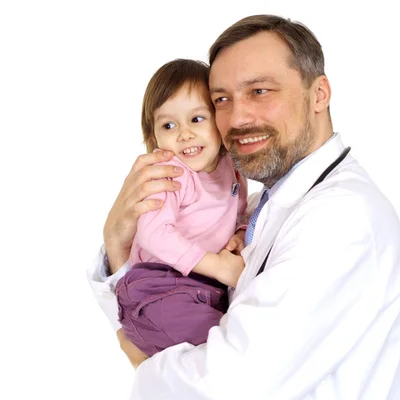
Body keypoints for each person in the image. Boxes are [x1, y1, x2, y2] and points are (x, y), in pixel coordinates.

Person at [87, 14, 400, 399]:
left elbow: (226, 387)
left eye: (260, 91)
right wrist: (117, 243)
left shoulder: (342, 219)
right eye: (221, 100)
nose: (237, 118)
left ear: (319, 94)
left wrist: (142, 359)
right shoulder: (259, 207)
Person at [116, 58, 249, 358]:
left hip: (201, 290)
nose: (184, 134)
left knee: (239, 334)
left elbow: (239, 214)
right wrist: (216, 265)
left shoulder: (232, 167)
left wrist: (239, 234)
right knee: (229, 349)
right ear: (155, 137)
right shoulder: (170, 172)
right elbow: (154, 235)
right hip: (156, 290)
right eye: (169, 125)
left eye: (197, 119)